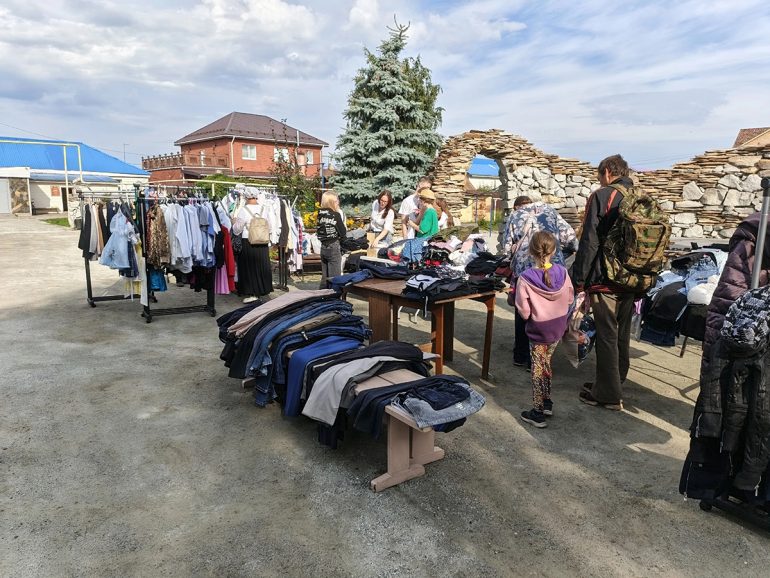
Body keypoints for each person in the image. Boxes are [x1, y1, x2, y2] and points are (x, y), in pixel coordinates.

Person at [571, 154, 635, 411]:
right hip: (633, 278)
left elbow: (589, 240)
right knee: (621, 334)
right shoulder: (638, 196)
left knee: (607, 334)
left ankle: (608, 395)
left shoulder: (603, 195)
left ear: (607, 172)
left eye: (600, 176)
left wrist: (579, 280)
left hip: (606, 279)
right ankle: (614, 383)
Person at [504, 195, 576, 369]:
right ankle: (539, 360)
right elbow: (571, 239)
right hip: (553, 269)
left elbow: (507, 248)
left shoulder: (515, 215)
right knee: (547, 311)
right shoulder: (550, 211)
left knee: (523, 311)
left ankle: (521, 355)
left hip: (524, 271)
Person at [515, 231, 574, 428]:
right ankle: (547, 402)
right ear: (554, 250)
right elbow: (570, 299)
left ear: (531, 251)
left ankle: (538, 411)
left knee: (537, 369)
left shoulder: (525, 278)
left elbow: (524, 312)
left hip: (538, 330)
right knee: (546, 363)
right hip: (557, 327)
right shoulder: (563, 273)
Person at [232, 191, 273, 302]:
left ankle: (252, 292)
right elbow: (270, 226)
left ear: (246, 197)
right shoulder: (264, 209)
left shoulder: (244, 210)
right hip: (262, 241)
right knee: (261, 266)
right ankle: (262, 289)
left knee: (249, 267)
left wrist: (233, 223)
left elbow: (237, 229)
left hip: (249, 241)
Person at [316, 190, 346, 289]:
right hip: (333, 246)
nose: (338, 203)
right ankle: (334, 296)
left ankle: (322, 295)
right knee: (335, 278)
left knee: (325, 277)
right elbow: (343, 232)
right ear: (332, 202)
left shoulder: (320, 215)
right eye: (336, 201)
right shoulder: (336, 215)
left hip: (323, 247)